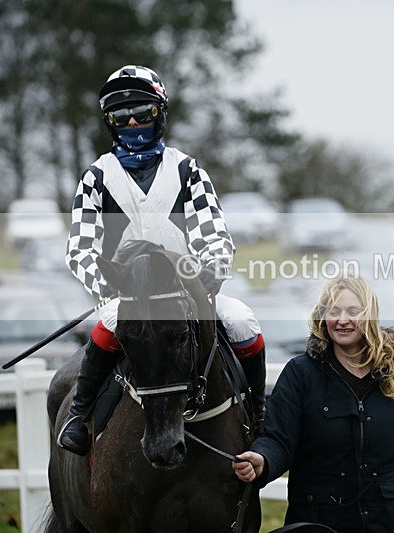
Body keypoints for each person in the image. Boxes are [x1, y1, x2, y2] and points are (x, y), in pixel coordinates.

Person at [58, 65, 266, 455]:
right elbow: (80, 248)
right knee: (108, 322)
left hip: (187, 290)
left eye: (143, 112)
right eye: (122, 116)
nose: (133, 121)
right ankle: (79, 416)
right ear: (110, 123)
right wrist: (107, 288)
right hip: (128, 292)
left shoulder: (188, 170)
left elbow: (215, 237)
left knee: (242, 321)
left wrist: (207, 276)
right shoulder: (96, 177)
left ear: (160, 114)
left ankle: (258, 413)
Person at [232, 275, 394, 533]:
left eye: (353, 311)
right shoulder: (300, 374)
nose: (343, 320)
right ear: (322, 317)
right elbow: (278, 438)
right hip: (320, 523)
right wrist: (262, 460)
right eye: (334, 311)